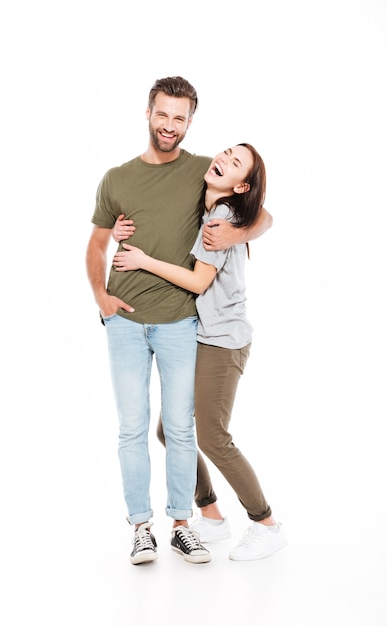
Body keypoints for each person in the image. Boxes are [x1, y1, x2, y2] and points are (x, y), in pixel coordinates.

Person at [86, 76, 272, 566]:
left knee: (188, 432)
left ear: (190, 122)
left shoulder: (206, 174)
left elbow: (263, 214)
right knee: (136, 427)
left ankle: (189, 524)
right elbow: (97, 244)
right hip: (124, 322)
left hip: (182, 325)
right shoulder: (118, 177)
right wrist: (101, 296)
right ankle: (142, 527)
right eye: (163, 114)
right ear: (148, 113)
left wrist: (232, 235)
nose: (170, 125)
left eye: (180, 117)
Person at [112, 142, 288, 561]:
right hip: (201, 335)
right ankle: (211, 515)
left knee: (211, 435)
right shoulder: (208, 203)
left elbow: (198, 282)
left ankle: (266, 524)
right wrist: (120, 230)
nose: (222, 159)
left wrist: (142, 260)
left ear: (241, 184)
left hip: (223, 341)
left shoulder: (224, 216)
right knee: (165, 430)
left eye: (235, 163)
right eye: (226, 151)